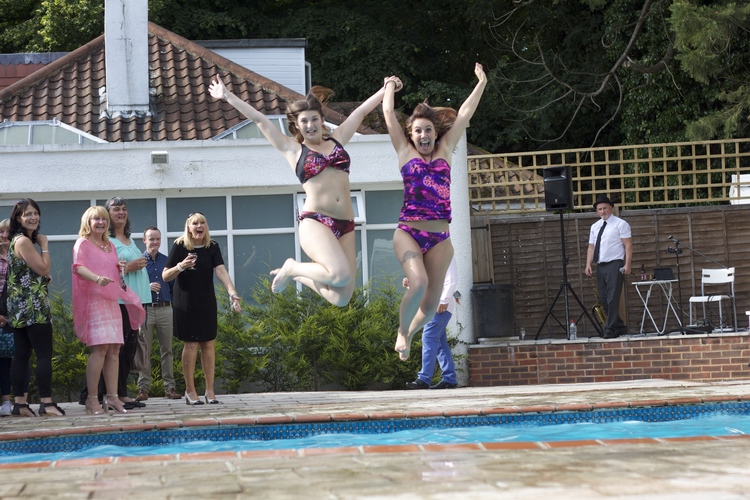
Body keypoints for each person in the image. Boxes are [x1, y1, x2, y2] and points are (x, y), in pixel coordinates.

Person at [208, 74, 401, 306]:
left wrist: (385, 88)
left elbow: (359, 113)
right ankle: (292, 267)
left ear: (321, 121)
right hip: (316, 222)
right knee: (340, 275)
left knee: (340, 297)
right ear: (297, 125)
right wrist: (227, 96)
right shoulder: (294, 150)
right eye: (304, 122)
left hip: (346, 224)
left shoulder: (338, 140)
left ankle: (298, 274)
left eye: (314, 119)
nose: (310, 125)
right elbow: (260, 120)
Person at [383, 63, 487, 360]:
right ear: (411, 135)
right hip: (409, 232)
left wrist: (481, 83)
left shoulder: (444, 151)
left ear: (435, 132)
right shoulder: (405, 153)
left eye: (428, 129)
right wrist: (390, 85)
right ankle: (402, 333)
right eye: (418, 130)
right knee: (418, 283)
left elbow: (465, 114)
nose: (424, 134)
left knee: (429, 308)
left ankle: (411, 331)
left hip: (441, 238)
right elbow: (389, 114)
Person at [72, 206, 146, 415]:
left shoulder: (109, 245)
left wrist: (120, 268)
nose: (101, 222)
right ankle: (92, 399)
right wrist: (96, 278)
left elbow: (113, 270)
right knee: (100, 349)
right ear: (88, 222)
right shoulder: (83, 243)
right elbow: (78, 267)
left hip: (111, 300)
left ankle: (112, 397)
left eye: (103, 219)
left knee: (114, 349)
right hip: (94, 301)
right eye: (96, 219)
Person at [162, 212, 242, 405]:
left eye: (203, 223)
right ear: (188, 227)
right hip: (185, 302)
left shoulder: (211, 247)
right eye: (195, 223)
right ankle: (190, 390)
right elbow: (165, 276)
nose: (199, 226)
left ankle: (210, 390)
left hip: (206, 300)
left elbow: (221, 271)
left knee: (208, 343)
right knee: (190, 344)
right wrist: (181, 266)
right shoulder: (180, 246)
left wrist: (232, 293)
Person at [6, 199, 63, 417]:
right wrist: (45, 246)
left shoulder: (17, 241)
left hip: (19, 307)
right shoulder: (23, 241)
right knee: (43, 355)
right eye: (27, 214)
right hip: (33, 307)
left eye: (35, 213)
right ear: (18, 219)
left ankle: (20, 404)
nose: (33, 217)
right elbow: (43, 267)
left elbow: (27, 274)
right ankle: (46, 403)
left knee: (21, 356)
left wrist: (41, 278)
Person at [136, 227, 181, 401]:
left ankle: (169, 388)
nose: (155, 242)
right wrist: (145, 288)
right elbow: (130, 288)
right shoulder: (138, 262)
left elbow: (173, 287)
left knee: (167, 350)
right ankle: (143, 389)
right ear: (144, 240)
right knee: (143, 350)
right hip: (145, 309)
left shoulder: (167, 261)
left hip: (164, 309)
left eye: (157, 239)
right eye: (151, 239)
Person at [404, 256, 459, 390]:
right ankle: (449, 378)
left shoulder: (445, 254)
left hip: (439, 305)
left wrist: (444, 300)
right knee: (439, 342)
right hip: (431, 305)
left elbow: (451, 279)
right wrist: (410, 284)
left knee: (428, 337)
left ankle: (424, 379)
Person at [585, 195, 632, 338]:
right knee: (603, 297)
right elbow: (591, 247)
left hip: (615, 264)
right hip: (601, 265)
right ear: (597, 211)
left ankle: (610, 328)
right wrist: (588, 263)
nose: (603, 211)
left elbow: (628, 245)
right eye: (599, 209)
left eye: (605, 208)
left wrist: (627, 264)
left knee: (613, 297)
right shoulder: (595, 226)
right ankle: (620, 326)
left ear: (610, 208)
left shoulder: (620, 224)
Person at [0, 219, 13, 416]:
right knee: (2, 360)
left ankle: (16, 401)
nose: (3, 236)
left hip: (17, 311)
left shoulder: (21, 255)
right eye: (1, 232)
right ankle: (5, 401)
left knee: (19, 357)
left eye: (7, 233)